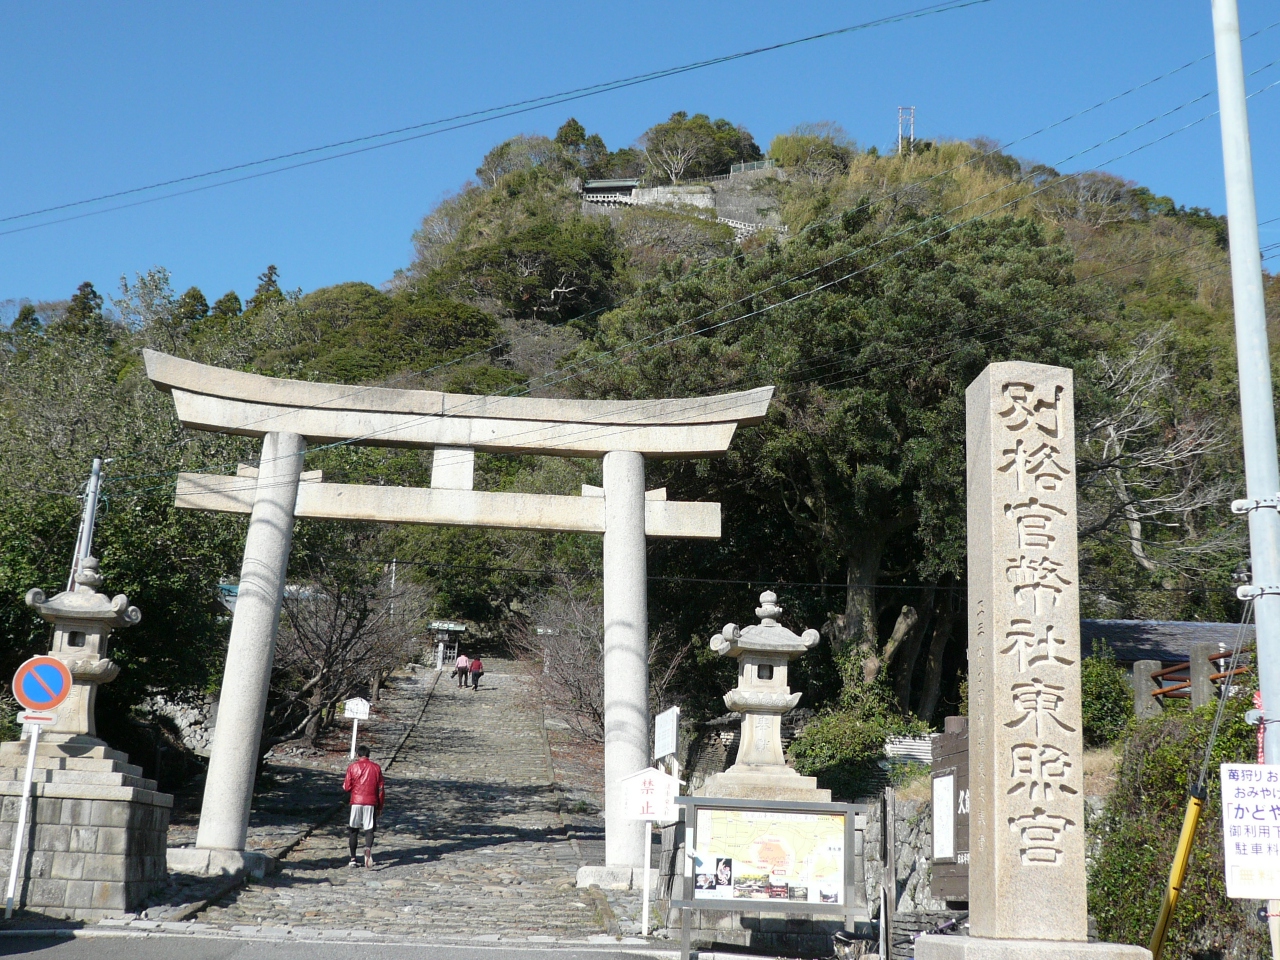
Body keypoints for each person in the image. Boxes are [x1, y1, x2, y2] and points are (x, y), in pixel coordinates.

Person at [342, 744, 385, 868]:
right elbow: (381, 789)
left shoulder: (352, 767)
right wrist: (380, 806)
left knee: (353, 829)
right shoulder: (376, 768)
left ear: (358, 755)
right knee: (369, 828)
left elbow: (346, 787)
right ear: (369, 755)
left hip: (356, 801)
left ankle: (353, 858)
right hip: (371, 801)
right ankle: (368, 848)